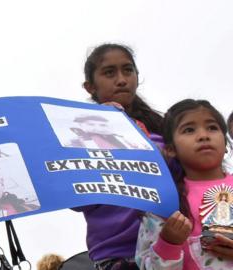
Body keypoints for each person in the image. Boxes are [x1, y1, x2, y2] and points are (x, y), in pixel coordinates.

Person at [73, 43, 164, 270]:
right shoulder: (75, 139)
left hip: (169, 250)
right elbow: (73, 198)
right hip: (116, 254)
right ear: (89, 86)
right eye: (109, 73)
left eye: (128, 70)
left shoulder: (164, 132)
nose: (122, 79)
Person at [135, 99, 233, 269]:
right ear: (170, 149)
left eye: (212, 127)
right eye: (189, 130)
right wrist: (168, 244)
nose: (204, 135)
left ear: (225, 144)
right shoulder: (164, 203)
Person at [68, 114, 139, 149]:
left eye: (102, 125)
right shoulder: (74, 141)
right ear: (81, 125)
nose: (97, 128)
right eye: (91, 124)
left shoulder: (120, 138)